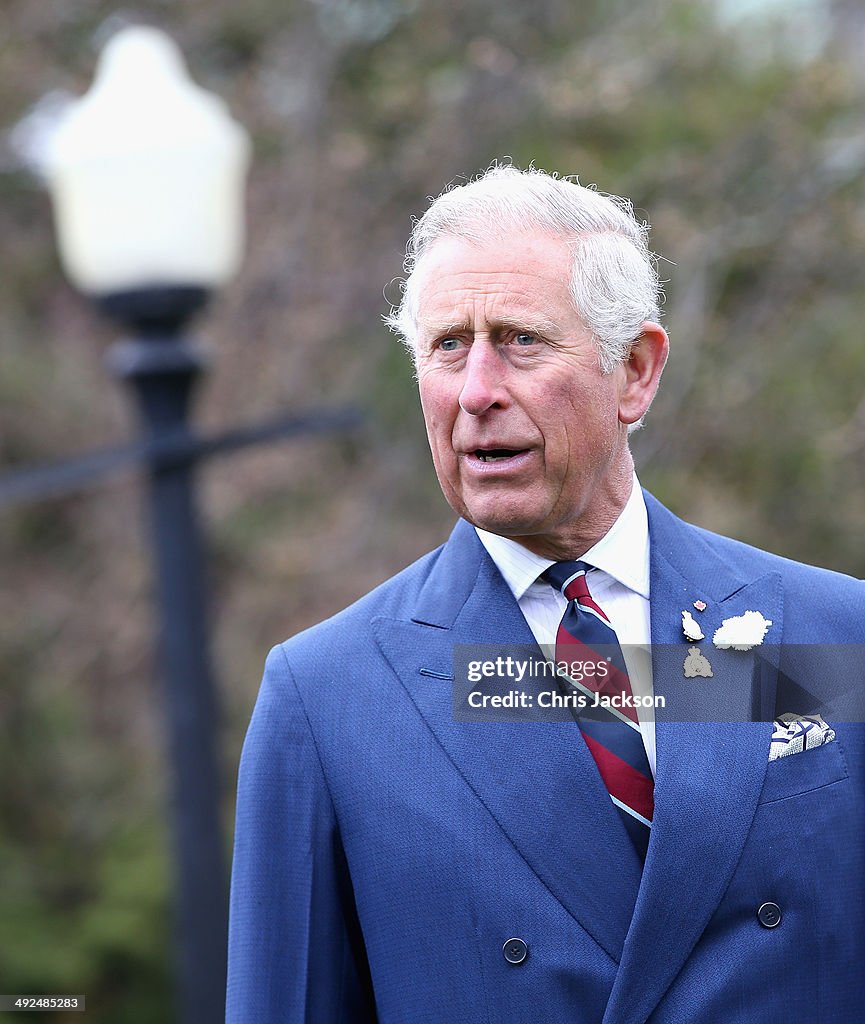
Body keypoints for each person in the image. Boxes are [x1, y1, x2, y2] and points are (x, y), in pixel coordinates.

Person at [226, 165, 865, 1023]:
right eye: (447, 344)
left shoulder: (833, 633)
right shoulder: (329, 696)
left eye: (520, 339)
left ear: (634, 371)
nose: (477, 390)